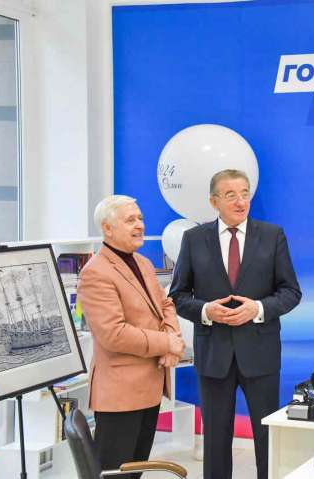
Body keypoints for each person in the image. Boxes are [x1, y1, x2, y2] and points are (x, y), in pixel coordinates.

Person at [169, 169, 302, 479]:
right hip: (213, 355)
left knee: (267, 437)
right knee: (215, 441)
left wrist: (257, 308)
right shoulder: (194, 239)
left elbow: (291, 292)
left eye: (245, 194)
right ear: (213, 201)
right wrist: (206, 311)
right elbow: (178, 296)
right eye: (231, 195)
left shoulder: (272, 235)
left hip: (260, 352)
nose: (241, 201)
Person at [78, 195, 184, 478]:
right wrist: (167, 343)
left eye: (140, 218)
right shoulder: (95, 273)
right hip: (120, 396)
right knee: (116, 473)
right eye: (130, 220)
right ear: (107, 228)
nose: (140, 225)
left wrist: (172, 340)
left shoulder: (142, 262)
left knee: (135, 471)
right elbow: (114, 334)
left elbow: (165, 305)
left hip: (149, 388)